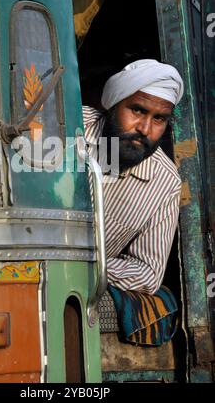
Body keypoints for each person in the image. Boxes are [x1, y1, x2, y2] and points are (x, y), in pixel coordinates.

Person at [83, 59, 184, 295]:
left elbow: (147, 272)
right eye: (138, 110)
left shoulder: (165, 183)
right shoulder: (67, 125)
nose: (145, 128)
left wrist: (82, 264)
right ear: (113, 105)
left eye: (159, 118)